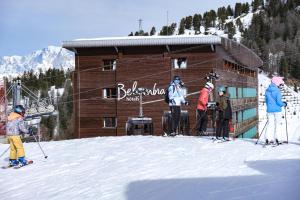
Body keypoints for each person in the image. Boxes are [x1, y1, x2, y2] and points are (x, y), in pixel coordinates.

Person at [264, 76, 287, 145]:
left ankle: (267, 139)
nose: (280, 85)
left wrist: (270, 107)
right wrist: (284, 104)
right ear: (277, 83)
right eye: (279, 84)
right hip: (277, 110)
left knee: (270, 124)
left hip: (269, 110)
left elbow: (266, 101)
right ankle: (278, 139)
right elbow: (279, 102)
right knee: (277, 124)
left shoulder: (267, 90)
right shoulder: (277, 91)